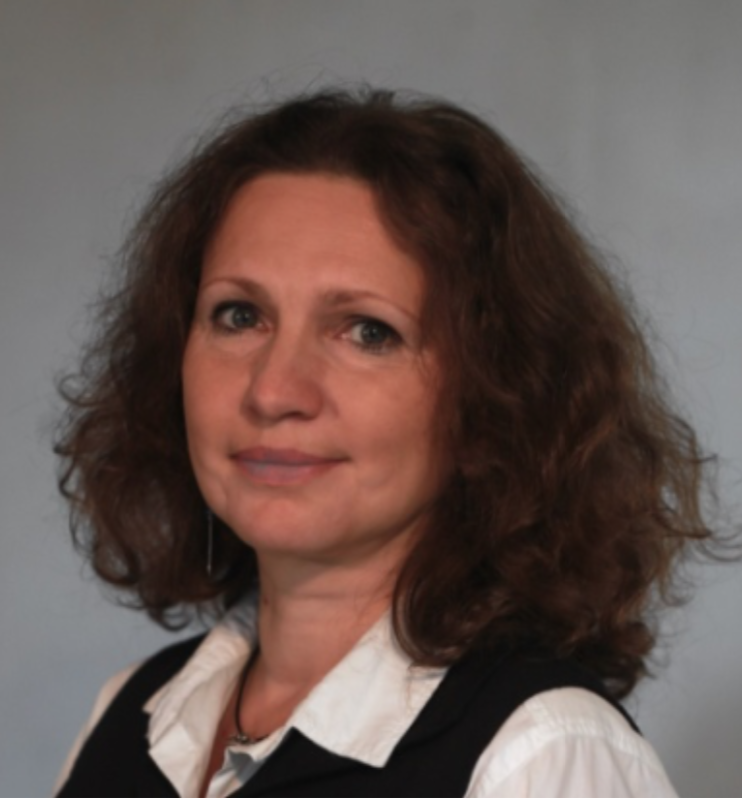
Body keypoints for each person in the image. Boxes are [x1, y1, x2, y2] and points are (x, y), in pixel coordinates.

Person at [52, 87, 718, 797]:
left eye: (369, 332)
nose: (273, 391)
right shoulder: (125, 716)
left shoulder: (539, 755)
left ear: (491, 403)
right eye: (239, 316)